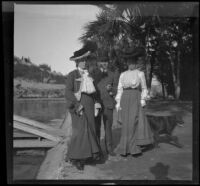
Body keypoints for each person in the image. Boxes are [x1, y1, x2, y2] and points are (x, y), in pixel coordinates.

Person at [65, 41, 102, 171]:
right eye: (82, 61)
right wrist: (76, 105)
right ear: (77, 62)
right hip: (78, 105)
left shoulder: (89, 75)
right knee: (80, 131)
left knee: (90, 129)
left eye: (85, 60)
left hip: (90, 104)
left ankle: (88, 156)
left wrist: (97, 103)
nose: (85, 63)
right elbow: (68, 92)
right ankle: (77, 158)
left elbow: (95, 92)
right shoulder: (72, 75)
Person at [114, 47, 154, 157]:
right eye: (129, 62)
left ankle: (134, 148)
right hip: (124, 99)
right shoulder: (122, 74)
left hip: (135, 97)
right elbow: (119, 89)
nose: (131, 64)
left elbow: (144, 88)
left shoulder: (140, 74)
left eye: (133, 62)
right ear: (127, 63)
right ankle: (124, 148)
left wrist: (142, 99)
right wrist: (118, 102)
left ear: (136, 62)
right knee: (126, 124)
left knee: (133, 123)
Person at [91, 59, 120, 157]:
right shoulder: (94, 75)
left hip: (108, 104)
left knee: (108, 127)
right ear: (98, 63)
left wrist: (111, 89)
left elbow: (117, 89)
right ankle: (98, 149)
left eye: (105, 62)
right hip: (97, 105)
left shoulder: (113, 74)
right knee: (97, 127)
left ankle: (109, 149)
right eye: (101, 62)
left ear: (108, 63)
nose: (103, 64)